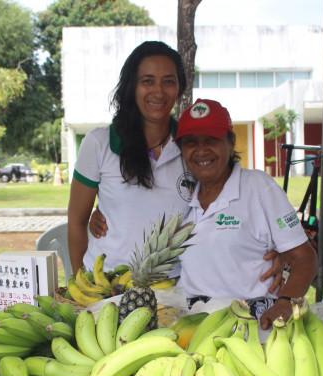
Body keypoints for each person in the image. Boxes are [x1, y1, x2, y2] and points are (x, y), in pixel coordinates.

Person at [69, 41, 284, 292]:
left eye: (168, 81)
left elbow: (233, 200)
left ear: (179, 88)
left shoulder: (192, 146)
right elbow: (76, 220)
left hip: (175, 288)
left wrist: (276, 250)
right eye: (147, 81)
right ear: (132, 86)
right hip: (109, 285)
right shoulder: (99, 143)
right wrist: (78, 284)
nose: (158, 91)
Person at [174, 99, 318, 328]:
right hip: (193, 325)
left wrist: (285, 301)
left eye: (211, 140)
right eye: (191, 143)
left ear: (230, 143)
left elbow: (304, 257)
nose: (201, 151)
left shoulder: (259, 188)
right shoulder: (181, 199)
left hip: (251, 325)